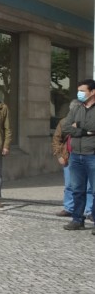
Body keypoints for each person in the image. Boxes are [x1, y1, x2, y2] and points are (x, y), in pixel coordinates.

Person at [61, 79, 95, 231]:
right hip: (76, 155)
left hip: (92, 154)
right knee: (77, 189)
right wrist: (83, 130)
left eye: (83, 91)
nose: (79, 94)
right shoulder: (76, 108)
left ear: (92, 92)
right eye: (79, 91)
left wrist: (78, 125)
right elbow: (66, 127)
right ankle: (77, 219)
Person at [52, 110, 93, 219]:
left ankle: (89, 211)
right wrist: (59, 155)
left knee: (89, 186)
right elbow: (57, 139)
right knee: (70, 184)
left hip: (89, 156)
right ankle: (69, 208)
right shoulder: (64, 122)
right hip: (70, 157)